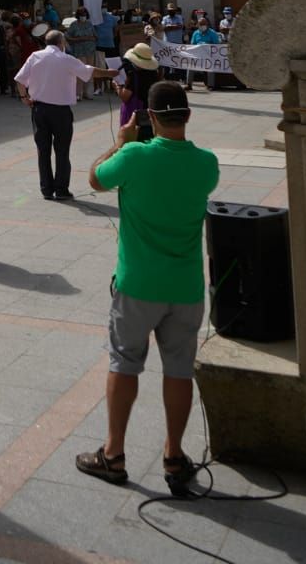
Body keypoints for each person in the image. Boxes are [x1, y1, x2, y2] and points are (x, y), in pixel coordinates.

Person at [77, 80, 220, 494]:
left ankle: (114, 454)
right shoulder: (207, 163)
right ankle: (174, 457)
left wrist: (121, 144)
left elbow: (95, 180)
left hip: (138, 283)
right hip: (185, 285)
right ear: (188, 116)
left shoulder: (135, 156)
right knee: (178, 370)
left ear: (151, 118)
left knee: (124, 362)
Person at [14, 28, 99, 201]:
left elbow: (20, 80)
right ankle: (61, 189)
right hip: (61, 111)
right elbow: (87, 72)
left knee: (42, 151)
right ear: (61, 43)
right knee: (62, 151)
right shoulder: (66, 58)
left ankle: (46, 188)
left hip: (39, 109)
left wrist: (24, 98)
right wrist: (110, 73)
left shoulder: (35, 56)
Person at [115, 45, 158, 126]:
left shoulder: (133, 74)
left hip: (136, 116)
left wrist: (117, 86)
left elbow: (125, 97)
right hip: (151, 113)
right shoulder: (154, 73)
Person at [185, 19, 222, 93]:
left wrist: (207, 46)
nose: (202, 26)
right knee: (190, 66)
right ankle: (189, 84)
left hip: (209, 56)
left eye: (203, 24)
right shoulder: (196, 33)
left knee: (210, 66)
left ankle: (210, 85)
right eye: (200, 25)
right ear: (198, 25)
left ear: (207, 25)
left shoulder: (212, 33)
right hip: (198, 56)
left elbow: (217, 46)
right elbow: (193, 45)